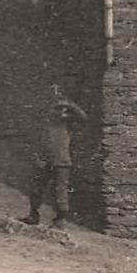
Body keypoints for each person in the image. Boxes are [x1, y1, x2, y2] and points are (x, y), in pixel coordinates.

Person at [30, 85, 88, 228]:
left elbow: (83, 117)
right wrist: (37, 157)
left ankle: (60, 221)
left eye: (60, 109)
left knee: (60, 191)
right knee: (37, 189)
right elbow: (36, 140)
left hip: (62, 162)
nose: (57, 112)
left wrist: (70, 105)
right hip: (44, 161)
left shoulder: (67, 122)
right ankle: (33, 215)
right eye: (55, 108)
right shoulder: (44, 123)